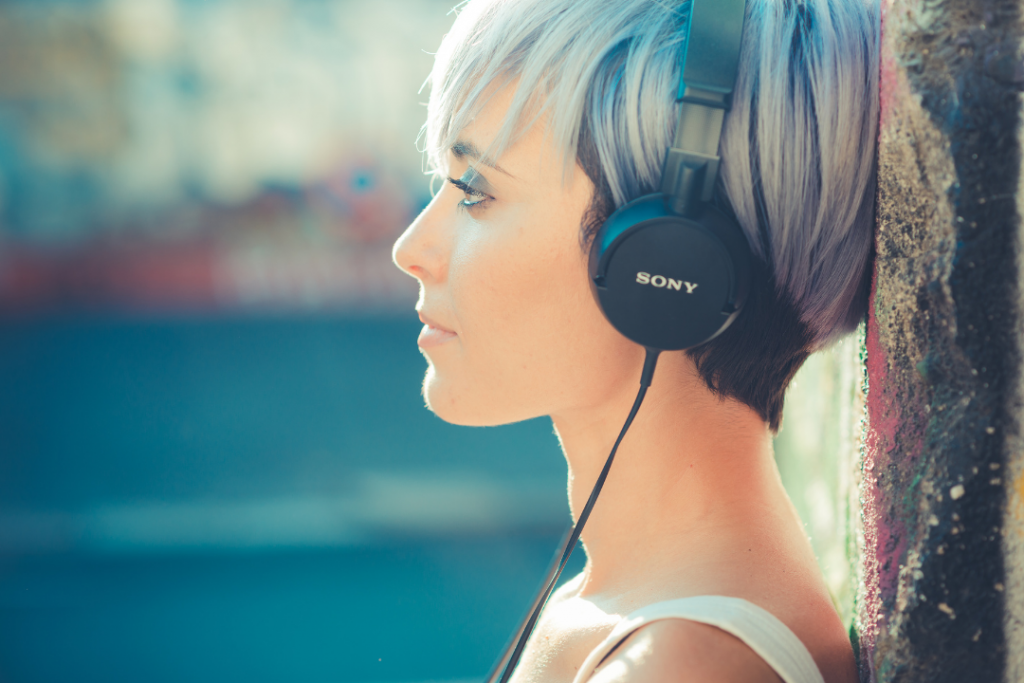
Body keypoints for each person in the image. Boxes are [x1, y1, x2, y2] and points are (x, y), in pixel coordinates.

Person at [392, 0, 878, 680]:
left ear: (667, 262)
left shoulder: (676, 665)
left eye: (475, 192)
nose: (411, 249)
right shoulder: (625, 610)